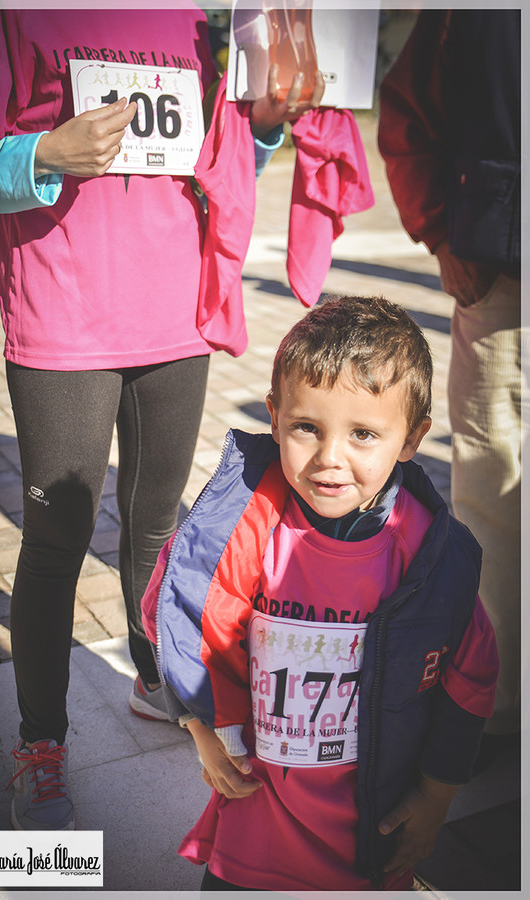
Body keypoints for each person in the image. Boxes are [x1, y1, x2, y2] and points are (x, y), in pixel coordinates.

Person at [0, 6, 325, 830]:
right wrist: (42, 152)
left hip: (177, 317)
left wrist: (263, 129)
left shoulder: (192, 15)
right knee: (56, 543)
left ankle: (162, 686)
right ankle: (40, 746)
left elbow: (212, 160)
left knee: (157, 526)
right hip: (61, 318)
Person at [141, 296, 499, 892]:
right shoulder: (244, 525)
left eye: (363, 434)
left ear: (412, 439)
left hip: (371, 843)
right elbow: (180, 609)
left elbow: (471, 676)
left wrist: (436, 798)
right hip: (254, 829)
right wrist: (202, 728)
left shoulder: (434, 558)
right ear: (275, 417)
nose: (330, 459)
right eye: (307, 427)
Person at [377, 10, 521, 762]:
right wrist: (438, 228)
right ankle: (493, 705)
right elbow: (406, 112)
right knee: (492, 492)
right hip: (503, 269)